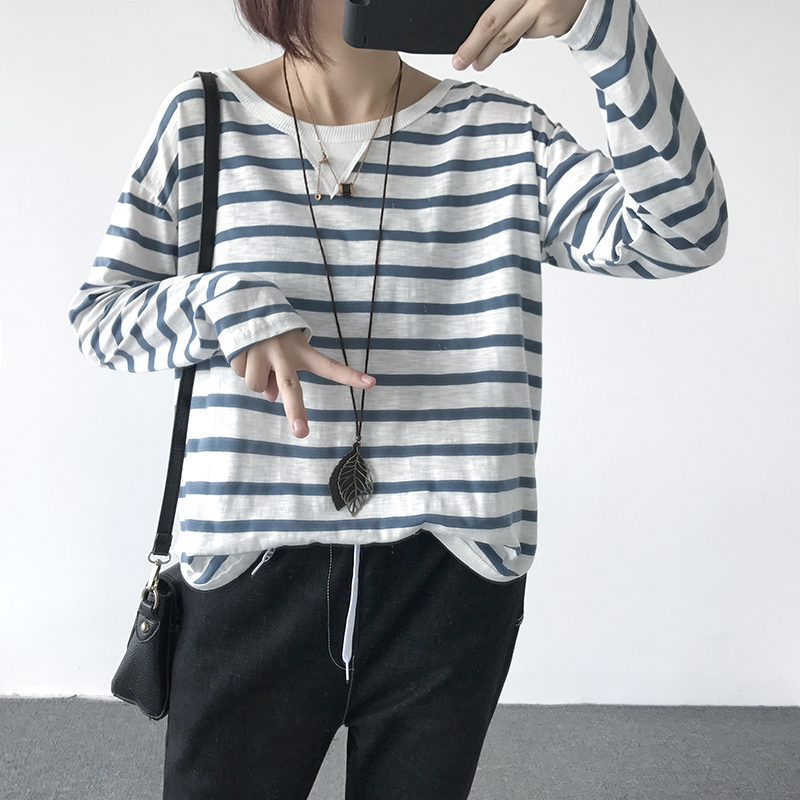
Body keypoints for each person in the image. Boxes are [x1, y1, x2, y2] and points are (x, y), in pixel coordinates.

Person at [69, 0, 727, 796]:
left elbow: (685, 233)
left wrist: (600, 21)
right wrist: (228, 305)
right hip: (246, 568)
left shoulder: (503, 135)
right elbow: (101, 319)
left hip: (452, 570)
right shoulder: (201, 119)